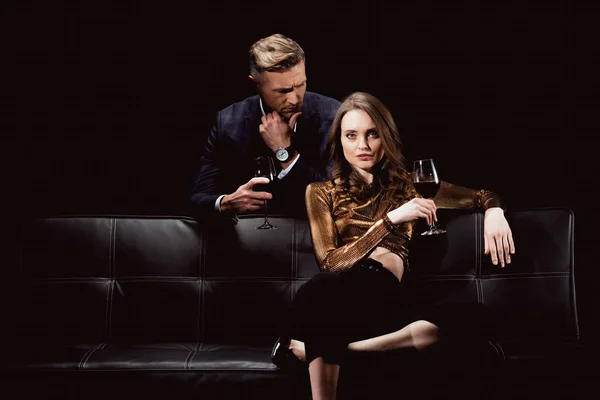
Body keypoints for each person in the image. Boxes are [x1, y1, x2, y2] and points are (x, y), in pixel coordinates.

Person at [272, 92, 515, 400]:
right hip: (343, 299)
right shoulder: (321, 192)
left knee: (478, 319)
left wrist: (494, 211)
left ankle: (332, 349)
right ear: (340, 141)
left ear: (385, 137)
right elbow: (331, 263)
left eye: (372, 134)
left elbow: (482, 195)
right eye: (352, 135)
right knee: (321, 288)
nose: (363, 145)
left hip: (390, 304)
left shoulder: (412, 187)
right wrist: (390, 220)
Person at [190, 33, 341, 221]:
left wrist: (284, 152)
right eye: (282, 91)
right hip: (248, 239)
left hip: (315, 234)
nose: (294, 99)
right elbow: (197, 198)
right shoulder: (228, 122)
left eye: (300, 85)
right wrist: (226, 202)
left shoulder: (334, 115)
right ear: (256, 84)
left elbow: (338, 199)